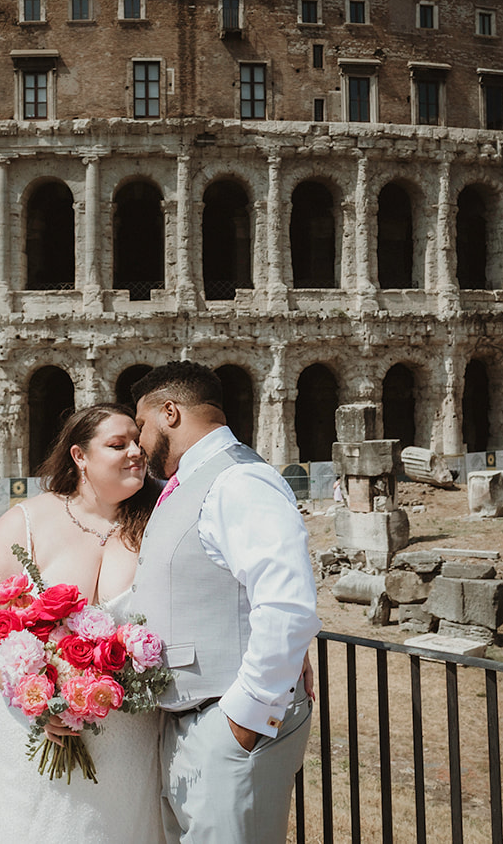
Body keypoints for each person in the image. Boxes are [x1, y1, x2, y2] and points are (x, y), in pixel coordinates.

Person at [0, 404, 165, 844]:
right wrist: (32, 697)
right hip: (36, 728)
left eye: (138, 444)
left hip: (129, 734)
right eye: (117, 444)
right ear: (79, 456)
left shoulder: (160, 518)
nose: (135, 453)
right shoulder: (28, 521)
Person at [130, 361, 320, 844]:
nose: (138, 443)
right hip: (196, 722)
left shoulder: (238, 481)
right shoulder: (193, 481)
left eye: (142, 426)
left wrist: (244, 719)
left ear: (169, 412)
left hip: (226, 725)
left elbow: (287, 606)